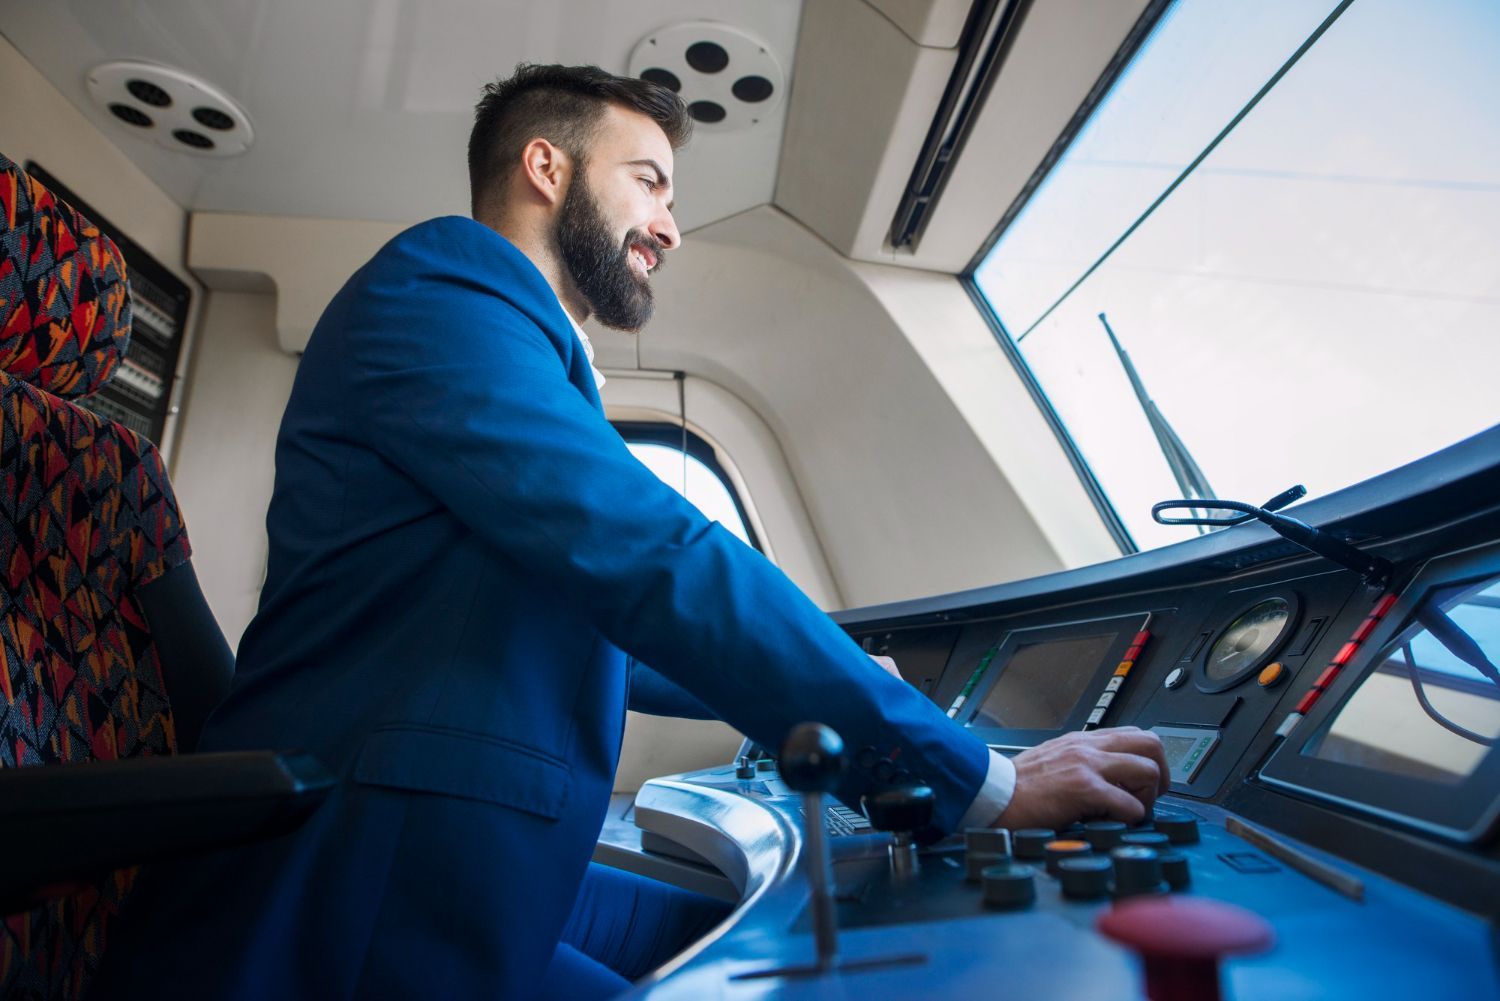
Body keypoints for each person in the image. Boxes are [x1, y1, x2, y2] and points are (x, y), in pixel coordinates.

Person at [96, 64, 1169, 1000]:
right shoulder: (441, 291)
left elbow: (603, 614)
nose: (670, 224)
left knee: (778, 947)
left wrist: (838, 683)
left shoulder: (508, 347)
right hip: (357, 892)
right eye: (648, 180)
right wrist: (986, 780)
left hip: (461, 866)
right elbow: (654, 555)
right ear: (547, 168)